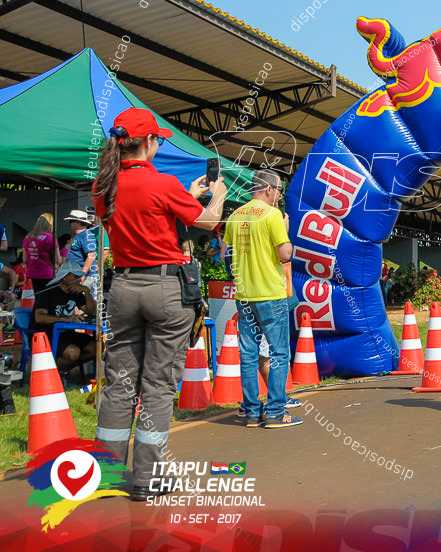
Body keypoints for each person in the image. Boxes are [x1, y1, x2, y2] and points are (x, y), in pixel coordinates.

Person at [93, 107, 227, 502]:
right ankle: (148, 479)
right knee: (157, 384)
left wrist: (183, 196)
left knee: (119, 384)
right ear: (149, 142)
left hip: (123, 285)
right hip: (166, 288)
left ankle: (106, 474)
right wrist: (215, 196)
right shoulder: (163, 183)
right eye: (158, 140)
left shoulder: (104, 187)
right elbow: (206, 222)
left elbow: (133, 221)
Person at [225, 170, 302, 430]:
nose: (279, 195)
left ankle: (251, 411)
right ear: (268, 189)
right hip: (270, 294)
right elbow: (284, 254)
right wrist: (286, 232)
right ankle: (276, 412)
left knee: (247, 355)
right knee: (279, 353)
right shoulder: (273, 215)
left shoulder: (234, 215)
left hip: (244, 295)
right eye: (279, 190)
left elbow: (227, 251)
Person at [29, 261, 96, 375]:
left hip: (65, 333)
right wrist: (66, 319)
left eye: (79, 277)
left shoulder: (76, 291)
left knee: (96, 347)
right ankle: (51, 375)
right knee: (73, 352)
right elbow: (39, 317)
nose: (79, 280)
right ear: (65, 277)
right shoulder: (48, 292)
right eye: (75, 277)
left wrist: (87, 292)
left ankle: (62, 370)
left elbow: (92, 312)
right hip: (44, 334)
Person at [65, 210, 99, 295]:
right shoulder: (78, 236)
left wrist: (82, 275)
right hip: (75, 275)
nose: (69, 224)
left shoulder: (86, 235)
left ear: (78, 223)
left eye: (71, 221)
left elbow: (91, 256)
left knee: (81, 302)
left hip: (84, 276)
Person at [24, 213, 56, 287]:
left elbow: (24, 260)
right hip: (48, 274)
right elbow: (57, 259)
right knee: (47, 297)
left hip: (31, 274)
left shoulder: (27, 237)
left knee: (34, 297)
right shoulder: (51, 238)